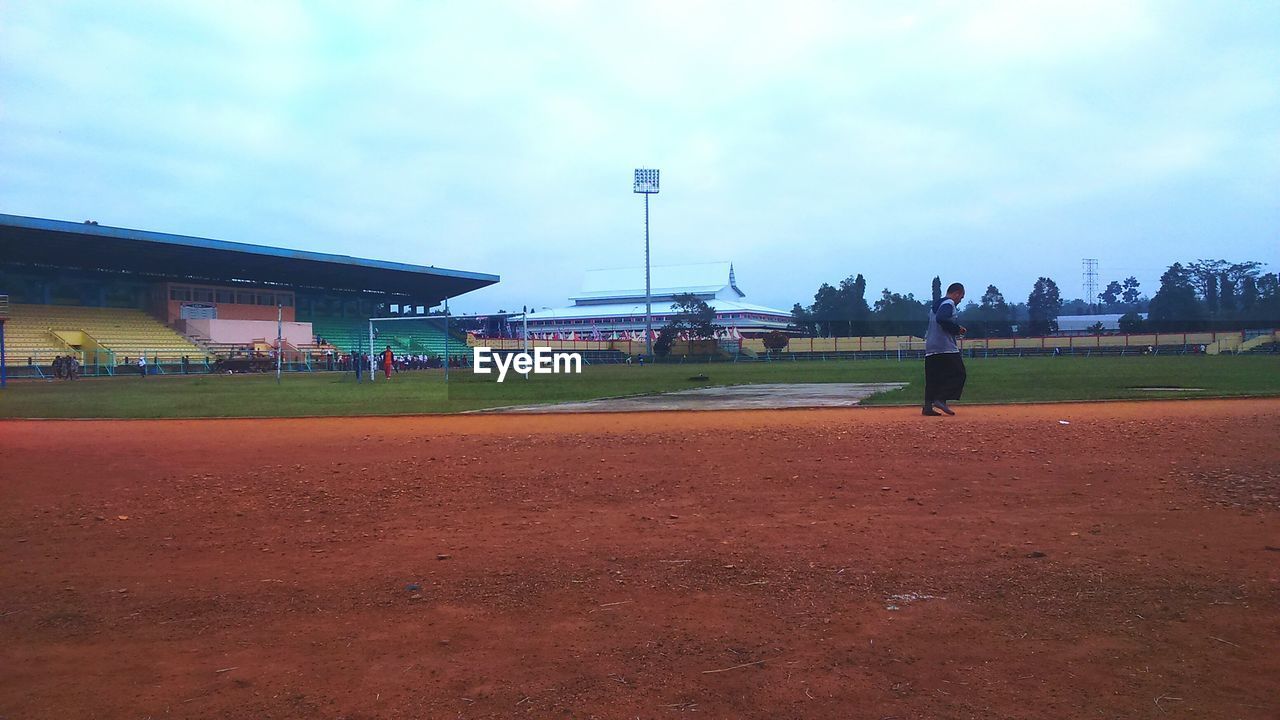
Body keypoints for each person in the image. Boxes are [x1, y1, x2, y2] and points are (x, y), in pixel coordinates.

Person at [923, 282, 966, 416]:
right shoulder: (949, 303)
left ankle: (928, 407)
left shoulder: (934, 306)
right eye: (961, 297)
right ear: (957, 293)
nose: (960, 300)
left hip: (931, 346)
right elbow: (942, 318)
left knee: (933, 378)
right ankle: (941, 399)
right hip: (945, 346)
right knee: (959, 373)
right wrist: (957, 329)